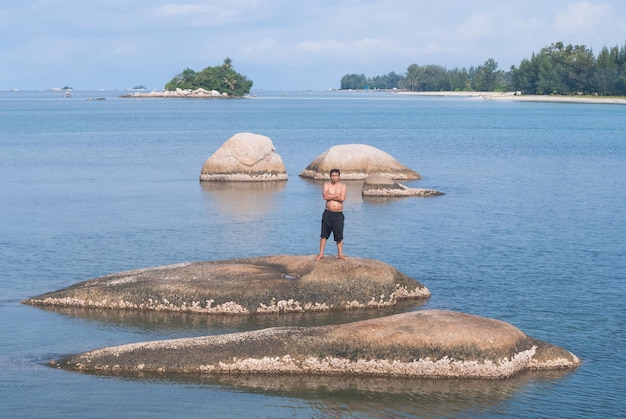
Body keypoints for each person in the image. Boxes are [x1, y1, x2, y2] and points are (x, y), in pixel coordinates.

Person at [316, 168, 347, 260]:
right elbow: (325, 196)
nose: (334, 178)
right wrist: (337, 195)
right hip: (327, 213)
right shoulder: (326, 185)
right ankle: (321, 254)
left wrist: (331, 196)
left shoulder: (343, 186)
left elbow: (342, 198)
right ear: (330, 176)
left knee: (339, 236)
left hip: (338, 214)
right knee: (323, 235)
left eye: (336, 176)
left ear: (339, 176)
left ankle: (340, 254)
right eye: (333, 176)